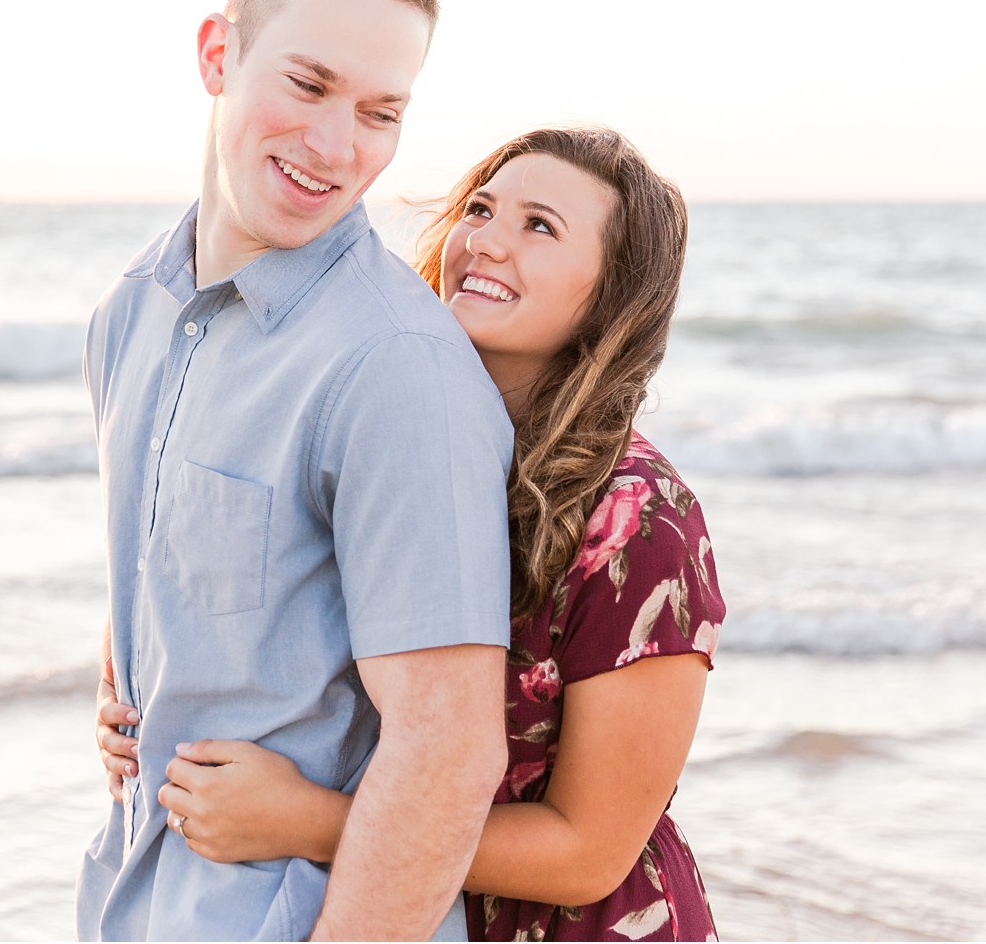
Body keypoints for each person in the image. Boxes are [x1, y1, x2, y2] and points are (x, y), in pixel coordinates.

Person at [126, 128, 727, 941]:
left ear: (612, 292)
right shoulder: (407, 445)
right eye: (479, 209)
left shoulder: (640, 523)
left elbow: (591, 850)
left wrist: (310, 820)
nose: (484, 240)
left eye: (538, 226)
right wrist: (122, 679)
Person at [76, 0, 515, 940]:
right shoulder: (127, 313)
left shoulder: (395, 366)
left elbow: (447, 752)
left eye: (379, 112)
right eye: (308, 84)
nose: (333, 146)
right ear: (217, 54)